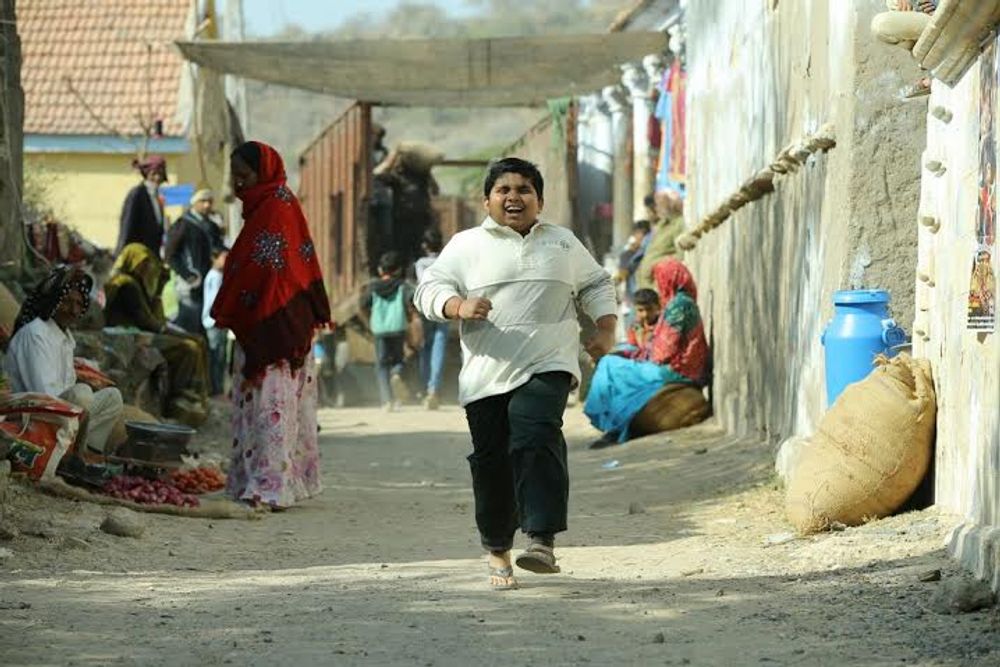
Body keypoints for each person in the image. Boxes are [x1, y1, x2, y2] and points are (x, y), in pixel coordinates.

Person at [414, 157, 617, 591]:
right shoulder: (467, 244)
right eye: (503, 190)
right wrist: (458, 306)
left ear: (539, 200)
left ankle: (541, 539)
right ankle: (497, 548)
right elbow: (429, 288)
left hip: (549, 361)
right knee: (492, 462)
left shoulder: (562, 242)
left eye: (524, 189)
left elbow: (596, 284)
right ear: (486, 200)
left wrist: (605, 327)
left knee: (536, 433)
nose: (514, 197)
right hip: (486, 373)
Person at [211, 141, 331, 509]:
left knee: (273, 408)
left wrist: (258, 313)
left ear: (263, 173)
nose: (238, 184)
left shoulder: (278, 207)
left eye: (244, 176)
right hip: (263, 326)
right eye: (234, 176)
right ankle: (258, 482)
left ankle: (272, 486)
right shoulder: (262, 208)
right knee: (261, 407)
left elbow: (278, 273)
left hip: (279, 330)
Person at [584, 258, 709, 447]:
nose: (659, 284)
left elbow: (663, 352)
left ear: (668, 278)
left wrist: (639, 357)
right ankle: (616, 425)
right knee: (616, 362)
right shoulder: (680, 303)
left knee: (609, 364)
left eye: (659, 279)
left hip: (678, 370)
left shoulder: (678, 305)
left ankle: (612, 425)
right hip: (677, 366)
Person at [5, 266, 124, 456]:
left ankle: (86, 453)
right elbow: (44, 394)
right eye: (67, 302)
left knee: (112, 397)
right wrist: (79, 399)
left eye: (79, 304)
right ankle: (69, 456)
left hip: (63, 412)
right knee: (82, 393)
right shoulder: (36, 334)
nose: (74, 310)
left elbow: (67, 389)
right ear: (53, 302)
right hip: (33, 412)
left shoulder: (65, 338)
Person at [104, 243, 209, 424]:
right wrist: (183, 336)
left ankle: (193, 398)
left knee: (196, 343)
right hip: (129, 338)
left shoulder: (138, 284)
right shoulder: (127, 285)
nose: (148, 268)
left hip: (140, 335)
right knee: (189, 348)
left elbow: (156, 318)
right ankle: (178, 398)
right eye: (143, 263)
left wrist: (160, 286)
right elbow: (149, 323)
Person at [361, 250, 417, 410]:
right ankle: (397, 374)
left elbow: (363, 305)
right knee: (398, 359)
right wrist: (410, 317)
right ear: (398, 270)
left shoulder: (372, 287)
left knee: (382, 364)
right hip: (398, 327)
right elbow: (412, 301)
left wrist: (369, 319)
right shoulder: (402, 286)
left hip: (379, 329)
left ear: (380, 270)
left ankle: (387, 401)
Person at [165, 189, 226, 334]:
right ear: (194, 203)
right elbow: (170, 255)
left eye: (209, 201)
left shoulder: (212, 226)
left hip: (210, 282)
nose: (207, 205)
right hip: (191, 284)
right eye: (202, 201)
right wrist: (188, 275)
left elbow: (218, 248)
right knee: (190, 327)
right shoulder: (183, 224)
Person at [415, 228, 448, 410]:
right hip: (444, 306)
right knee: (439, 345)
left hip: (426, 307)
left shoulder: (420, 264)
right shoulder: (447, 260)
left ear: (424, 245)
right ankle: (434, 388)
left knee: (426, 346)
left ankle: (424, 387)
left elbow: (423, 284)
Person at [116, 155, 168, 257]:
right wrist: (122, 257)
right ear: (146, 174)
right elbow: (127, 228)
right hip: (136, 257)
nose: (157, 178)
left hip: (151, 258)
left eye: (160, 174)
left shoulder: (158, 199)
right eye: (153, 174)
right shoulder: (137, 194)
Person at [201, 247, 229, 397]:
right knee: (216, 356)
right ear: (215, 258)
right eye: (224, 258)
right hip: (214, 322)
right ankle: (215, 389)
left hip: (216, 321)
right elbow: (215, 301)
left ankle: (217, 388)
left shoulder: (217, 276)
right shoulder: (215, 277)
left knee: (219, 356)